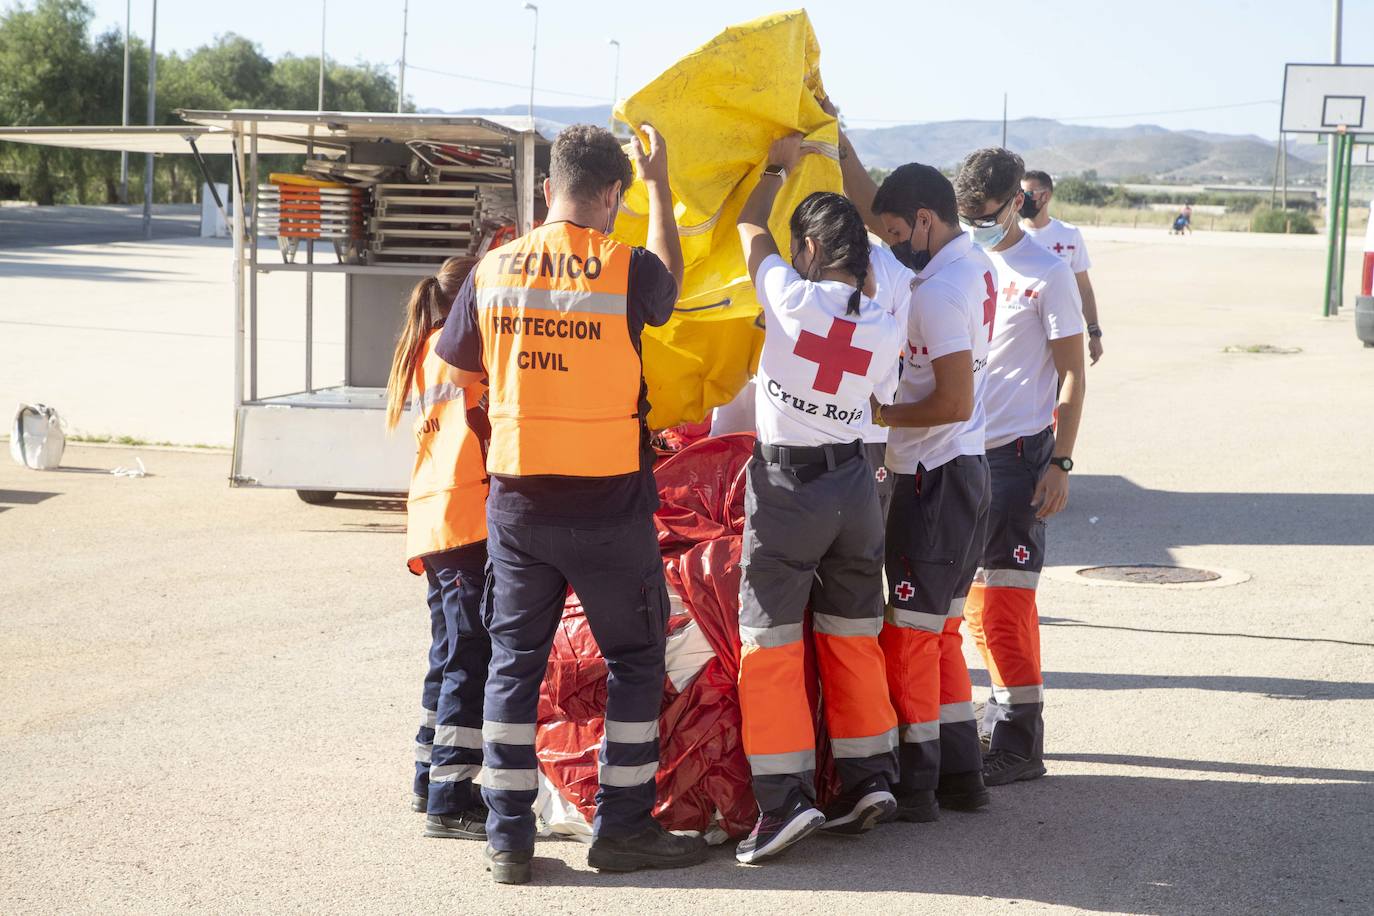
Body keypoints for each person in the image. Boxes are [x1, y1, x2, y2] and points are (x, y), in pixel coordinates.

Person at [434, 124, 705, 885]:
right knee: (635, 659)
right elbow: (670, 286)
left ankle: (508, 841)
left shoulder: (493, 269)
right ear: (612, 195)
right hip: (609, 507)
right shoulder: (626, 268)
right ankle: (623, 829)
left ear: (548, 190)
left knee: (514, 665)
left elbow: (458, 375)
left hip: (520, 505)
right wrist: (660, 185)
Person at [732, 133, 905, 864]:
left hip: (790, 487)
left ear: (808, 249)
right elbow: (882, 403)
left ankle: (783, 803)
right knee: (852, 633)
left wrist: (777, 165)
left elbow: (748, 227)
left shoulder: (791, 296)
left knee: (769, 640)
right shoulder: (886, 324)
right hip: (857, 488)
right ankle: (869, 779)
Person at [830, 100, 996, 821]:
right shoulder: (971, 264)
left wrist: (882, 415)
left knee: (910, 638)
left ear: (926, 220)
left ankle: (919, 785)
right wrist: (837, 140)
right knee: (942, 633)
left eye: (899, 236)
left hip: (933, 476)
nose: (892, 247)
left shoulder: (939, 293)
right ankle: (963, 777)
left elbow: (953, 399)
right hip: (963, 472)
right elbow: (876, 209)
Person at [953, 148, 1087, 788]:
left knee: (1005, 604)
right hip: (958, 453)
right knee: (971, 606)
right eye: (967, 216)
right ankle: (992, 718)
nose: (976, 226)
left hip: (1016, 459)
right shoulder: (960, 260)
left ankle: (1019, 744)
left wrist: (1060, 461)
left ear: (1017, 203)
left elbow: (1072, 375)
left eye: (985, 216)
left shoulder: (1047, 272)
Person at [385, 257, 492, 840]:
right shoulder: (468, 350)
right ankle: (451, 799)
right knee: (469, 657)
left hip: (435, 517)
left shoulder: (427, 347)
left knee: (448, 652)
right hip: (465, 515)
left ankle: (429, 777)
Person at [1020, 171, 1104, 365]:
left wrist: (1094, 332)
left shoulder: (1069, 235)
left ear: (1046, 196)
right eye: (1020, 193)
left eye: (1028, 193)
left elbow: (1084, 288)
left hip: (1063, 331)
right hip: (1026, 335)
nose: (1022, 199)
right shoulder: (1013, 236)